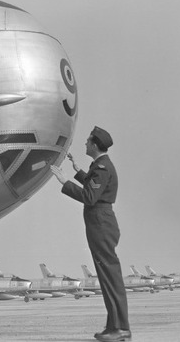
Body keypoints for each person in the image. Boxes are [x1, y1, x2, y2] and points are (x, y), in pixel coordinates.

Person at [50, 127, 131, 342]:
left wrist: (64, 181)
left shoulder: (102, 167)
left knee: (110, 278)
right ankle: (114, 326)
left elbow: (89, 197)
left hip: (101, 224)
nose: (85, 144)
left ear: (94, 145)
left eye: (87, 141)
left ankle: (121, 328)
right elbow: (95, 187)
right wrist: (77, 170)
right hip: (101, 223)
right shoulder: (100, 166)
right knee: (107, 278)